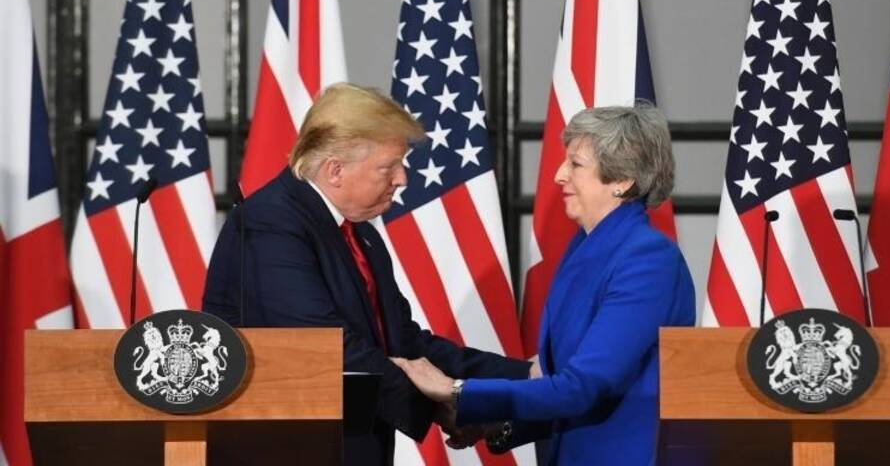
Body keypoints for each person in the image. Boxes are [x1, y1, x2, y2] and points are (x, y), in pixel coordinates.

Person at [202, 83, 532, 466]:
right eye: (388, 166)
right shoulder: (270, 222)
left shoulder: (359, 234)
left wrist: (523, 380)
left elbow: (403, 342)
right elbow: (326, 347)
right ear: (335, 170)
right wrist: (447, 408)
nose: (402, 179)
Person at [392, 103, 696, 466]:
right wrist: (499, 424)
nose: (558, 175)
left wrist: (458, 391)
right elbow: (563, 378)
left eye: (576, 164)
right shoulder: (587, 246)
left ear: (622, 180)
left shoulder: (647, 259)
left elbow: (584, 387)